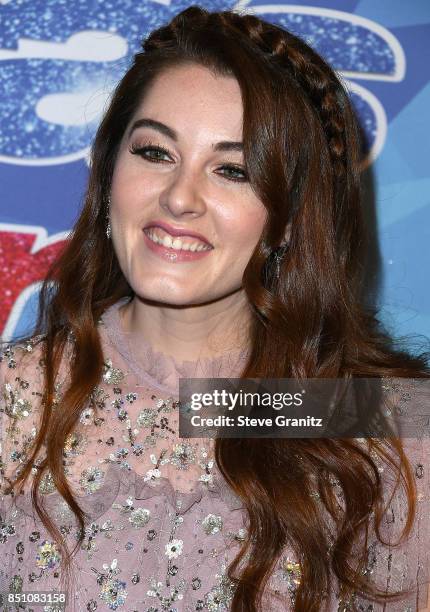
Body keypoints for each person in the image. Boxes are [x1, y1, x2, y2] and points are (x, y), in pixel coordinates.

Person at [1, 6, 430, 611]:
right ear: (106, 171)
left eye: (233, 170)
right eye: (155, 152)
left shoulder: (383, 422)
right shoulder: (14, 401)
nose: (180, 197)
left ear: (288, 220)